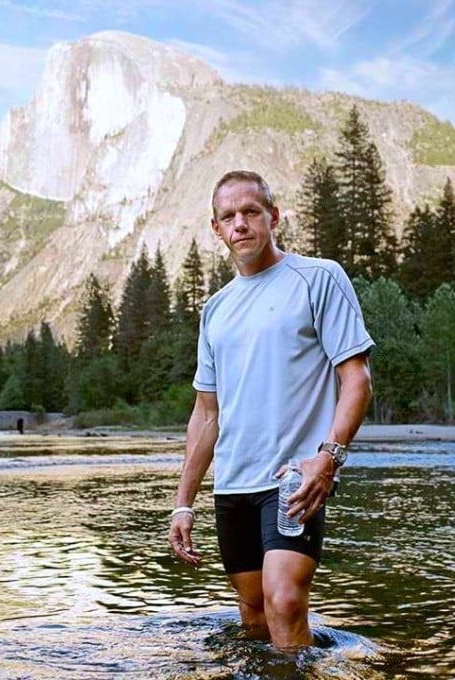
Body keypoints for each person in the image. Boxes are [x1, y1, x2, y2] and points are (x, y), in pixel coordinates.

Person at [167, 170, 374, 650]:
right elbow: (205, 413)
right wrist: (183, 502)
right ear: (216, 229)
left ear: (273, 217)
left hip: (291, 480)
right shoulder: (215, 309)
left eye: (251, 211)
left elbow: (356, 379)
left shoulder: (318, 278)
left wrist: (329, 458)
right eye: (228, 216)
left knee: (283, 600)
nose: (240, 223)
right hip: (233, 483)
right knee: (254, 610)